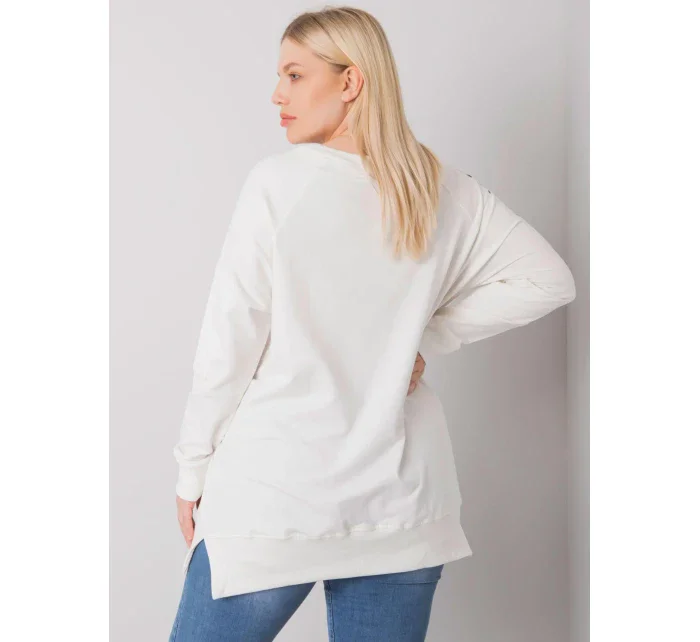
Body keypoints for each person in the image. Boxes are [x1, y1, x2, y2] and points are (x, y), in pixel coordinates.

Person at [168, 6, 576, 641]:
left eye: (295, 75)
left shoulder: (278, 184)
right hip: (402, 502)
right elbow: (548, 278)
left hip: (277, 499)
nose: (277, 95)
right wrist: (423, 339)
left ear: (351, 81)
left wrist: (192, 469)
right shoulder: (444, 188)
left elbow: (229, 343)